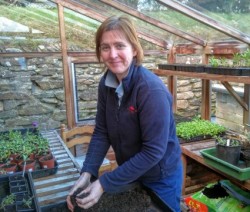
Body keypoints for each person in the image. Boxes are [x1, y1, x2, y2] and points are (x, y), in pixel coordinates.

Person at [66, 15, 183, 212]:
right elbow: (102, 131)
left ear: (134, 49)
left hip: (161, 177)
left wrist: (103, 183)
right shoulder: (106, 84)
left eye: (120, 45)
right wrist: (88, 172)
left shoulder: (150, 91)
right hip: (132, 171)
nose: (112, 54)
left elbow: (153, 151)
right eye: (105, 47)